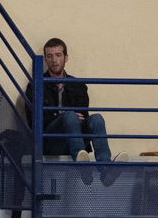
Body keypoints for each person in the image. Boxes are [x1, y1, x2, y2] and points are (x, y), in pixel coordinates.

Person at [25, 37, 116, 187]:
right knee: (70, 115)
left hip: (75, 140)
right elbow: (33, 121)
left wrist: (68, 118)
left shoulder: (78, 85)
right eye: (50, 56)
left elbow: (83, 117)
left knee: (97, 118)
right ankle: (82, 167)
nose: (54, 60)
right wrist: (64, 117)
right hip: (51, 142)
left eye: (58, 55)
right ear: (46, 60)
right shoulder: (35, 86)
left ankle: (105, 169)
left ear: (66, 58)